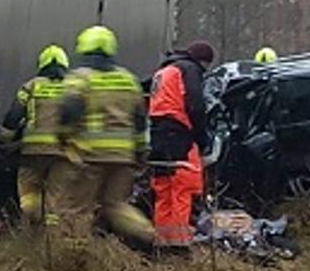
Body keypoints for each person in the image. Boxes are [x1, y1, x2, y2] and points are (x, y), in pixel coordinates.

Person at [52, 26, 156, 249]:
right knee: (116, 206)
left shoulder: (79, 79)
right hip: (123, 158)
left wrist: (64, 140)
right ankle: (150, 236)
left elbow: (68, 112)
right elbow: (140, 122)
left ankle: (74, 255)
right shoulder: (129, 80)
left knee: (74, 209)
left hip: (90, 157)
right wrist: (140, 153)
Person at [148, 41, 215, 255]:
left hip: (158, 135)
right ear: (203, 62)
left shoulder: (165, 70)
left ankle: (162, 243)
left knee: (163, 189)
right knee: (182, 188)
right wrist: (202, 138)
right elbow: (195, 105)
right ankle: (178, 246)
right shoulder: (190, 69)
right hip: (178, 134)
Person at [0, 44, 72, 228]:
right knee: (56, 198)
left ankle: (33, 226)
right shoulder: (72, 89)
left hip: (32, 152)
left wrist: (3, 141)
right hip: (63, 153)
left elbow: (13, 116)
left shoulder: (31, 86)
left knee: (30, 192)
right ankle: (54, 236)